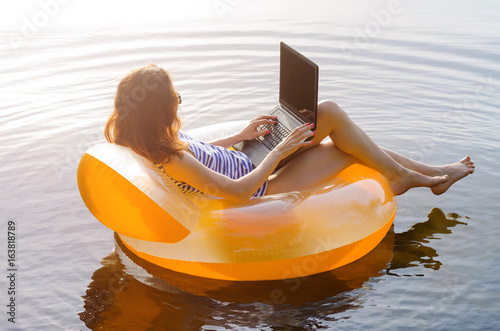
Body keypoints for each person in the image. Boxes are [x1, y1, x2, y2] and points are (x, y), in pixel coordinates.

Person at [105, 64, 475, 202]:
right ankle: (415, 177)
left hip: (247, 159)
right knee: (344, 144)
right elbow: (235, 192)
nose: (178, 104)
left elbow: (199, 152)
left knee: (326, 112)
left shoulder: (147, 140)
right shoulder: (168, 155)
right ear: (157, 112)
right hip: (261, 183)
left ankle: (425, 173)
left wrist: (243, 134)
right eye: (175, 99)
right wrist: (277, 153)